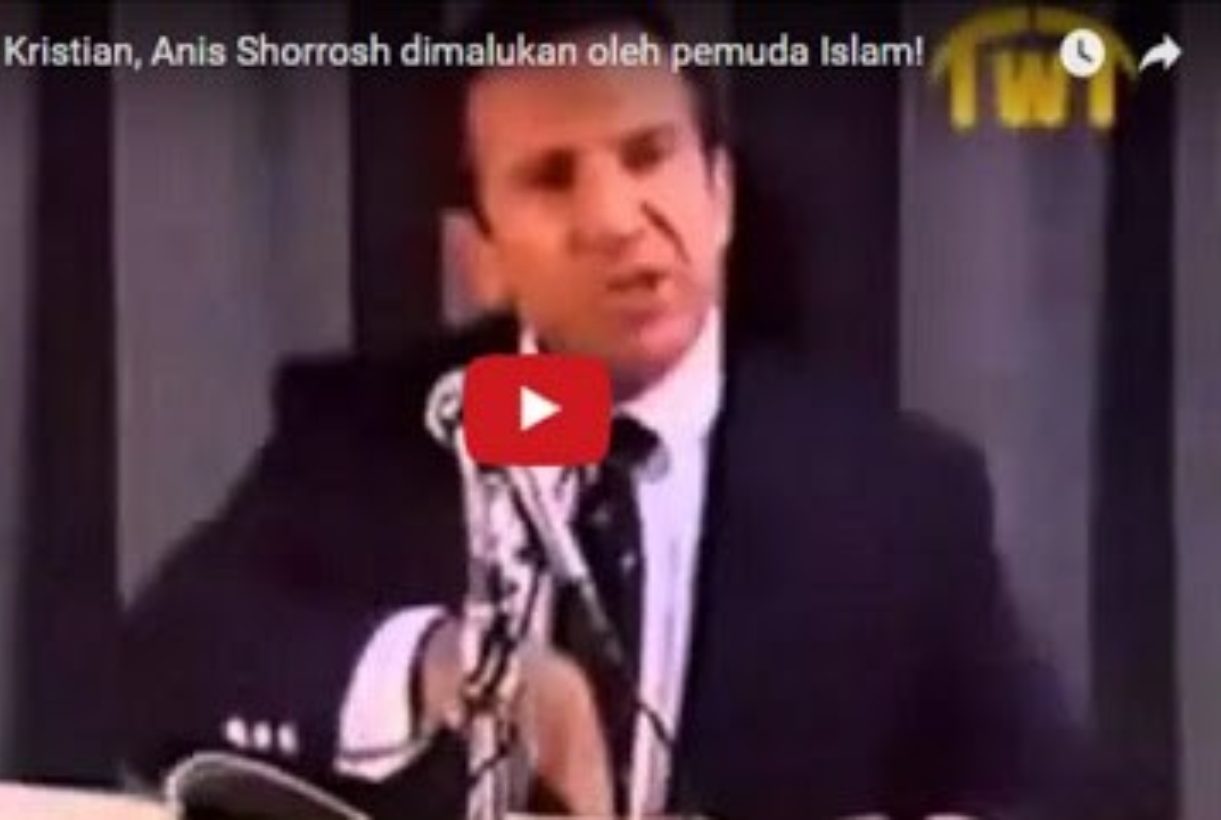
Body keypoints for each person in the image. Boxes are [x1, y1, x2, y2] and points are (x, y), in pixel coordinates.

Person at [122, 2, 1092, 818]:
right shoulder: (368, 433)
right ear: (480, 256)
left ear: (718, 195)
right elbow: (166, 664)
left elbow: (1042, 795)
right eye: (551, 177)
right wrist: (441, 666)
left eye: (648, 155)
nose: (615, 219)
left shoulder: (897, 497)